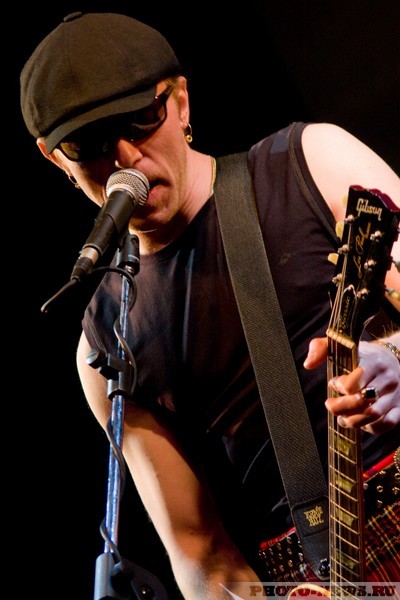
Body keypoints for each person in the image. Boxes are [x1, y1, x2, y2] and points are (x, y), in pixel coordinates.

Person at [20, 11, 400, 600]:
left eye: (141, 119)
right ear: (56, 160)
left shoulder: (311, 161)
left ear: (180, 102)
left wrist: (396, 358)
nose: (125, 157)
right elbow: (202, 554)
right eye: (88, 144)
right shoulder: (105, 344)